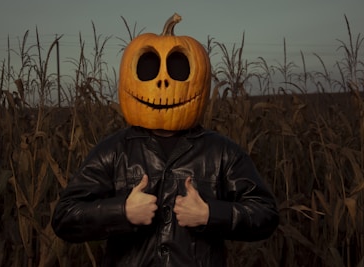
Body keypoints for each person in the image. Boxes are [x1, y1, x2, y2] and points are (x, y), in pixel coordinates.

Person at [51, 13, 279, 267]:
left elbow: (266, 214)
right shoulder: (114, 151)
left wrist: (210, 214)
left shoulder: (222, 152)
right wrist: (122, 211)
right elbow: (65, 217)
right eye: (148, 68)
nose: (162, 81)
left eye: (178, 69)